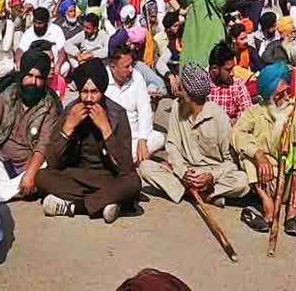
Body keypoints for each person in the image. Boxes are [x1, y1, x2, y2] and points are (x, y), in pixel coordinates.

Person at [35, 58, 142, 223]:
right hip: (76, 176)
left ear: (103, 91)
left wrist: (106, 129)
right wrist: (68, 128)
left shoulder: (117, 113)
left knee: (133, 183)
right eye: (84, 92)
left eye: (94, 92)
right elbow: (53, 163)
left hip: (107, 178)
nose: (89, 98)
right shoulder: (71, 111)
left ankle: (72, 207)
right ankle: (105, 203)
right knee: (41, 177)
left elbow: (126, 167)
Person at [139, 64, 249, 206]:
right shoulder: (177, 107)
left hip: (211, 172)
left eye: (182, 88)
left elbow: (231, 161)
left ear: (190, 95)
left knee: (242, 181)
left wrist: (211, 177)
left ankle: (189, 192)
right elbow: (172, 146)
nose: (179, 90)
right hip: (185, 171)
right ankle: (204, 195)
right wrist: (182, 172)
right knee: (145, 167)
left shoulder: (219, 116)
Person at [232, 63, 296, 236]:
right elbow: (238, 133)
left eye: (286, 92)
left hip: (292, 181)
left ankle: (292, 215)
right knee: (247, 157)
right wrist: (258, 155)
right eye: (279, 94)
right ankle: (267, 204)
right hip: (266, 178)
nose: (285, 97)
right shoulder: (254, 112)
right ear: (268, 95)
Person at [0, 49, 60, 202]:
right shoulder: (5, 96)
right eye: (29, 76)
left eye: (38, 78)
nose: (33, 82)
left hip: (28, 166)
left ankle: (7, 190)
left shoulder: (49, 105)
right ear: (22, 74)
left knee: (43, 173)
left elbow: (43, 145)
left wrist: (30, 174)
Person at [106, 44, 164, 166]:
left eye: (131, 65)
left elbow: (145, 110)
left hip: (134, 138)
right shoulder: (103, 80)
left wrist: (142, 139)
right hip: (112, 139)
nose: (131, 69)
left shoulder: (136, 77)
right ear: (113, 67)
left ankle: (124, 162)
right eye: (126, 67)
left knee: (158, 138)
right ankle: (128, 161)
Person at [262, 17, 296, 93]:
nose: (293, 35)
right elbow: (265, 57)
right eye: (291, 33)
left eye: (294, 32)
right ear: (282, 34)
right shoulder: (274, 45)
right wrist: (282, 65)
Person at [208, 42, 253, 125]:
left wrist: (234, 122)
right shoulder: (203, 85)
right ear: (214, 69)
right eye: (228, 70)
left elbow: (248, 115)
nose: (233, 73)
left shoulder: (237, 85)